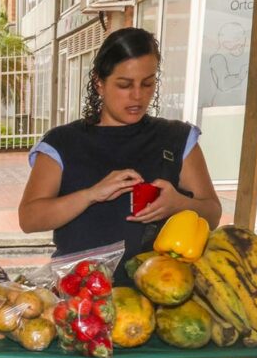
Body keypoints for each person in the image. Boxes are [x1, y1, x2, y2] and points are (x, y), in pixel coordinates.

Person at [18, 27, 221, 283]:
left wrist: (180, 203)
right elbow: (29, 219)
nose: (138, 95)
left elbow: (212, 213)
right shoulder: (62, 143)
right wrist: (92, 195)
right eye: (124, 85)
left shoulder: (177, 138)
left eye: (147, 83)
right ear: (99, 83)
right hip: (82, 301)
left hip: (161, 298)